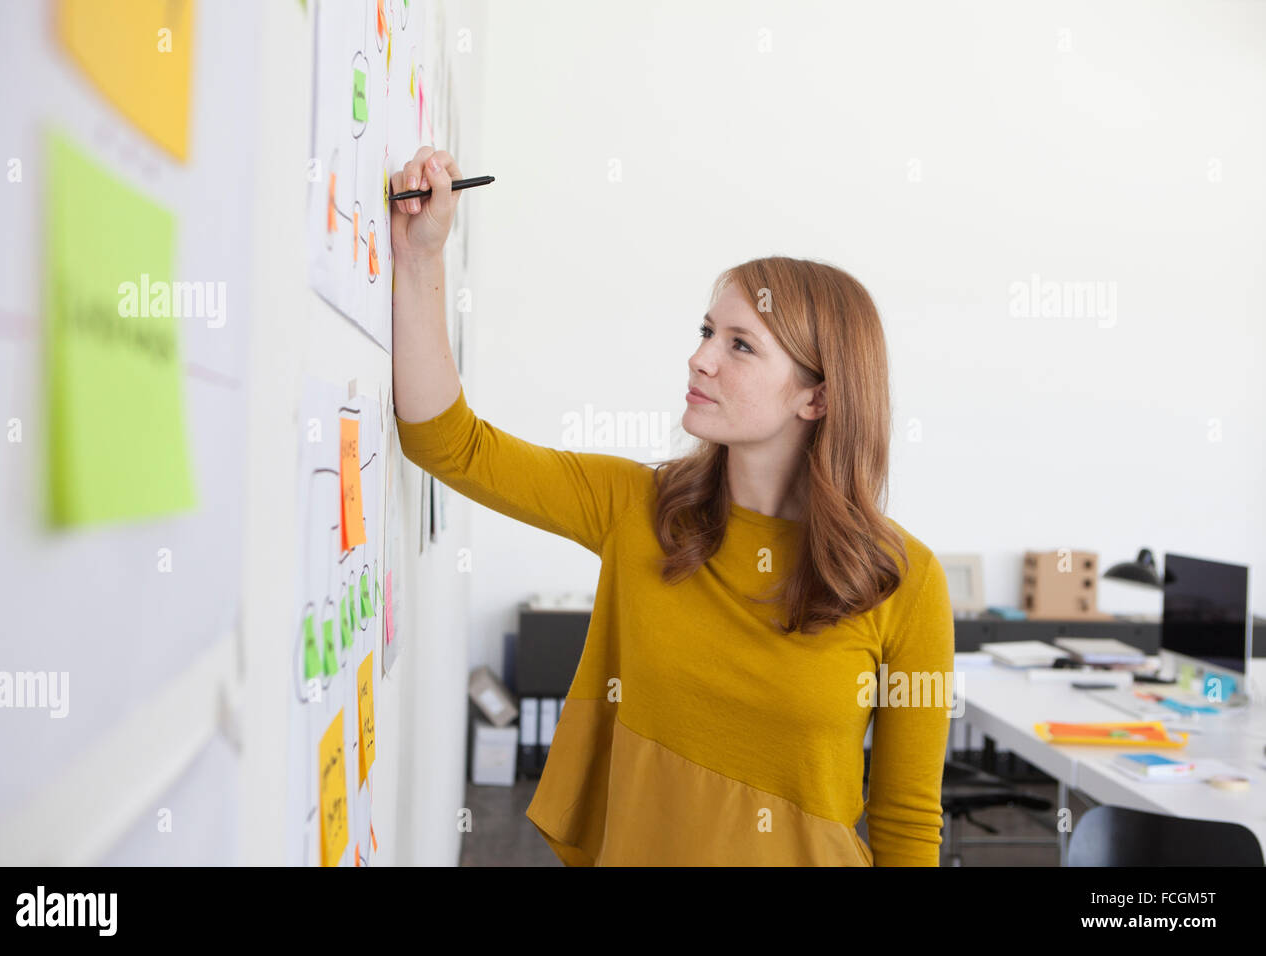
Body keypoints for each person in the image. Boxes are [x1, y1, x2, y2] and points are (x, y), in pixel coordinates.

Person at [389, 146, 955, 866]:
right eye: (705, 333)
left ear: (817, 396)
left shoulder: (907, 581)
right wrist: (420, 260)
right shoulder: (637, 507)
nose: (701, 358)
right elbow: (450, 445)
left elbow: (907, 822)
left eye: (741, 345)